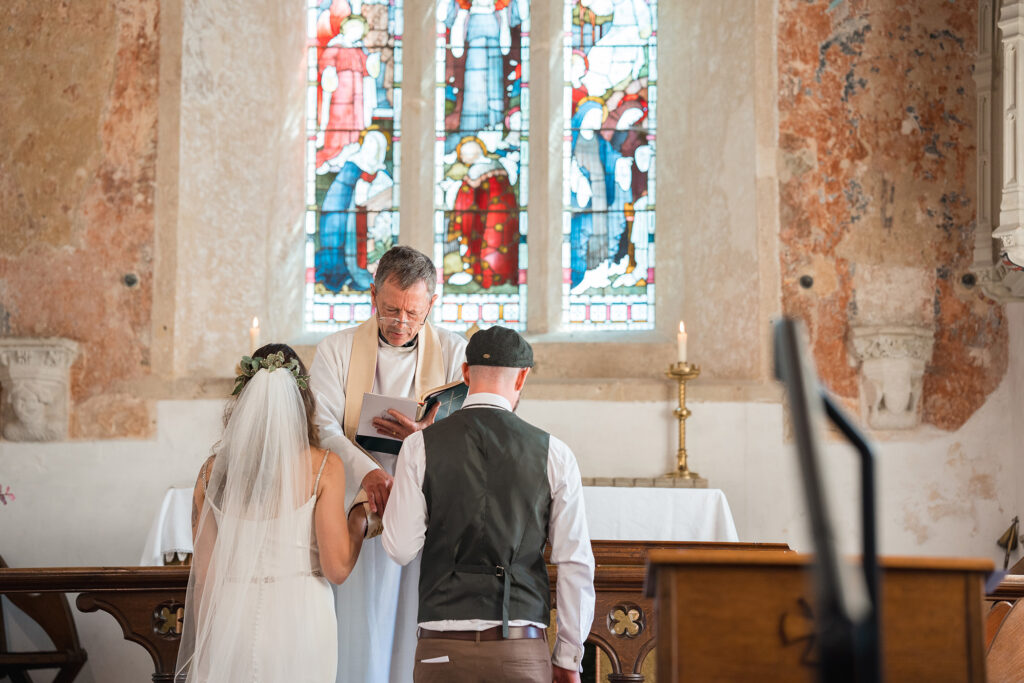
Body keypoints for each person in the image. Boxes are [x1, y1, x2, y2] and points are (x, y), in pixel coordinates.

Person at [382, 325, 595, 683]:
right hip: (518, 646)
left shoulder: (419, 447)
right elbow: (575, 562)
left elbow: (401, 549)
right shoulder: (554, 453)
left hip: (442, 648)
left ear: (465, 373)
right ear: (522, 376)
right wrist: (569, 656)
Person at [310, 245, 468, 683]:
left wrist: (422, 438)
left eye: (413, 313)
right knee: (364, 621)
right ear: (373, 297)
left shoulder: (456, 353)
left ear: (431, 305)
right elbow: (320, 425)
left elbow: (471, 429)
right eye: (390, 309)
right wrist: (369, 474)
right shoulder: (337, 350)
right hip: (357, 504)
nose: (401, 322)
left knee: (414, 621)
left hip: (426, 505)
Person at [175, 344, 365, 682]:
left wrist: (208, 646)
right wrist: (359, 520)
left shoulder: (211, 472)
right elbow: (336, 568)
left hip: (231, 619)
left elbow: (205, 578)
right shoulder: (323, 467)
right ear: (302, 400)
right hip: (300, 618)